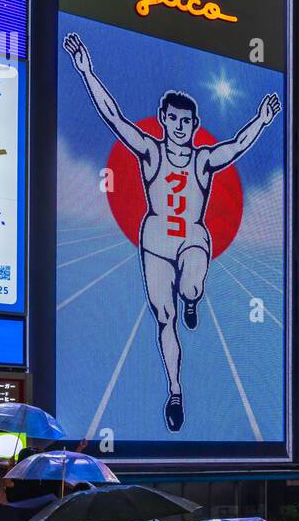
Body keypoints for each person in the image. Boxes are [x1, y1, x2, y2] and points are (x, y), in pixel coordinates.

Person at [63, 32, 280, 433]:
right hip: (156, 241)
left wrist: (263, 121)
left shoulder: (202, 159)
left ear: (195, 125)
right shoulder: (150, 151)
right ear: (164, 120)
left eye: (187, 121)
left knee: (191, 288)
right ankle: (175, 390)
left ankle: (192, 297)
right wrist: (86, 71)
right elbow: (114, 117)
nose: (180, 126)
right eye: (174, 119)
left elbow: (235, 147)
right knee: (165, 317)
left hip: (193, 238)